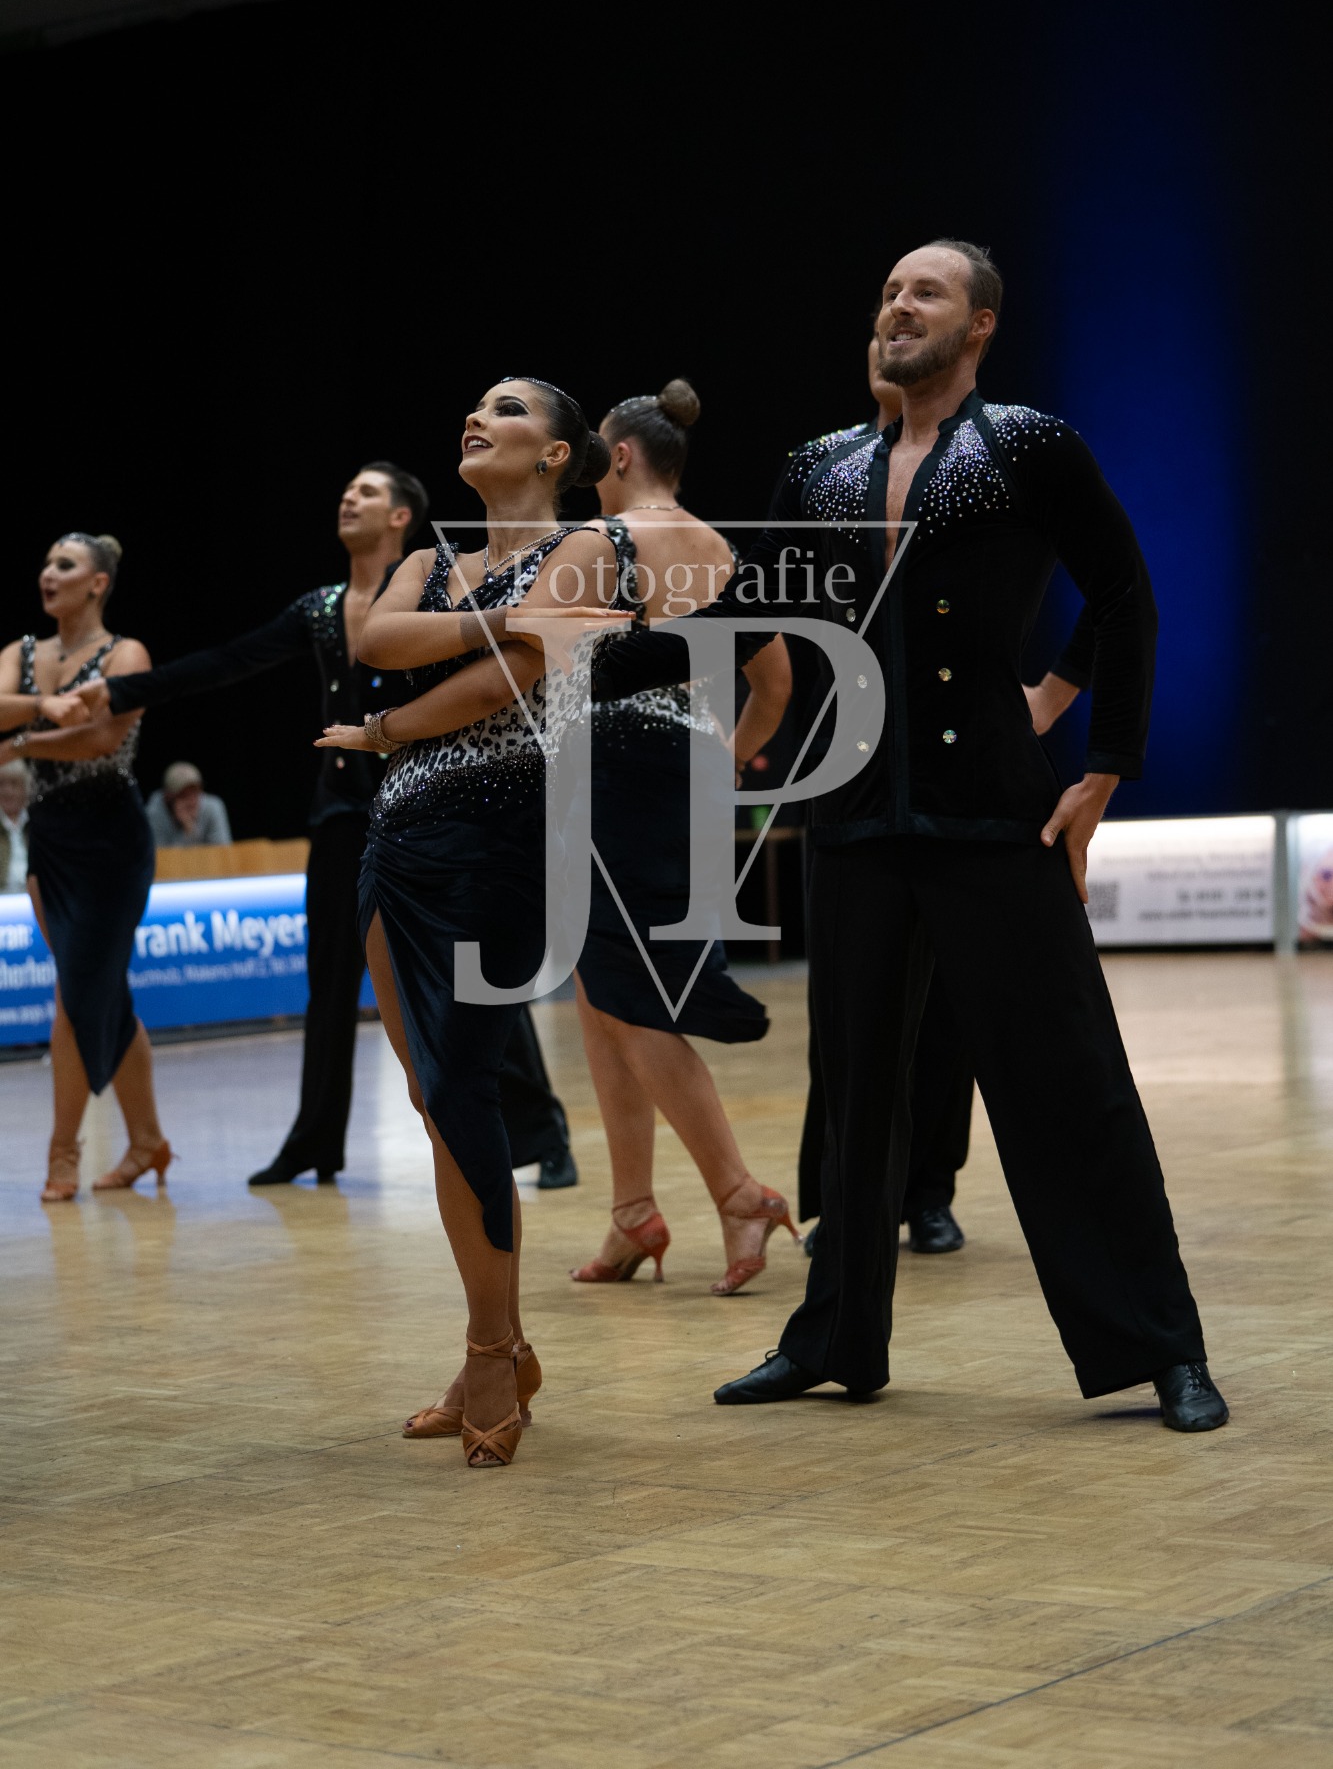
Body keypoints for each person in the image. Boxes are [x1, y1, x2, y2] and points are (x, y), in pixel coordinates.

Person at [598, 240, 1227, 1435]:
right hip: (852, 814)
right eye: (888, 291)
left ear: (978, 323)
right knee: (854, 1095)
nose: (897, 305)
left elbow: (1124, 593)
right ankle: (835, 1338)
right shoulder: (819, 466)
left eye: (924, 292)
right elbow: (745, 611)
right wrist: (590, 657)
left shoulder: (1026, 445)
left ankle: (1161, 1345)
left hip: (992, 808)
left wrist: (1101, 765)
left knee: (1069, 1085)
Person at [62, 463, 577, 1191]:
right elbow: (228, 661)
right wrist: (120, 690)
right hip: (342, 814)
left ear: (400, 516)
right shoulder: (321, 607)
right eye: (346, 490)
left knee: (474, 974)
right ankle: (314, 1140)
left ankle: (544, 1134)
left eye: (366, 492)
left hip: (429, 807)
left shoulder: (432, 586)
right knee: (329, 981)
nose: (348, 498)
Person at [319, 377, 624, 1469]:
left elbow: (515, 680)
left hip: (507, 838)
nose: (477, 418)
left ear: (555, 453)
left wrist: (386, 729)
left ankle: (490, 1352)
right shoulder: (430, 557)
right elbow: (377, 636)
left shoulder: (584, 547)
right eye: (475, 407)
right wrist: (496, 617)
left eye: (506, 409)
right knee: (432, 1098)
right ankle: (499, 1339)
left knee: (462, 1088)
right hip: (397, 841)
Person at [795, 339, 1093, 1259]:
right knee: (847, 1021)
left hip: (966, 781)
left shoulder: (997, 458)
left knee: (949, 1015)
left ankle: (928, 1190)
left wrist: (1050, 696)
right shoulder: (825, 469)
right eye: (878, 326)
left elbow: (1115, 590)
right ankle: (843, 1204)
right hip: (853, 783)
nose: (890, 339)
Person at [570, 378, 799, 1294]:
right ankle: (631, 1211)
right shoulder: (721, 550)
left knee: (631, 997)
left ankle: (738, 1193)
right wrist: (726, 763)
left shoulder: (602, 543)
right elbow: (775, 687)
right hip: (690, 778)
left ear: (622, 455)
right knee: (604, 992)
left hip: (616, 778)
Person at [0, 534, 172, 1201]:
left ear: (98, 582)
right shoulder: (20, 653)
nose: (48, 573)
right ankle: (147, 1141)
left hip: (111, 841)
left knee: (77, 990)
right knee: (102, 991)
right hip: (50, 839)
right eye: (46, 563)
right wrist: (41, 707)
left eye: (65, 565)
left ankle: (63, 1152)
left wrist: (20, 740)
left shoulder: (127, 654)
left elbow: (102, 737)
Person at [146, 761, 233, 848]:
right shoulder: (155, 811)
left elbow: (222, 851)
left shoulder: (213, 807)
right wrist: (186, 831)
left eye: (195, 793)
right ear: (168, 797)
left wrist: (191, 830)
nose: (191, 801)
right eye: (183, 795)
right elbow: (157, 853)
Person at [1, 758, 31, 892]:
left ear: (25, 788)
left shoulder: (36, 824)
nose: (7, 791)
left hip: (34, 896)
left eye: (14, 784)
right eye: (1, 784)